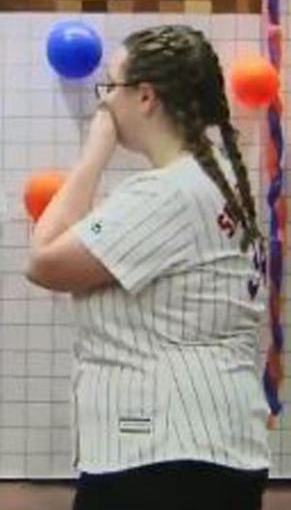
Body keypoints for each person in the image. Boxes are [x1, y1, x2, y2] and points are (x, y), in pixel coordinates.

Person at [25, 25, 270, 510]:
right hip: (210, 443)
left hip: (162, 453)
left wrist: (95, 147)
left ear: (145, 97)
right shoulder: (217, 180)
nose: (105, 104)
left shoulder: (167, 193)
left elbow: (44, 261)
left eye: (110, 88)